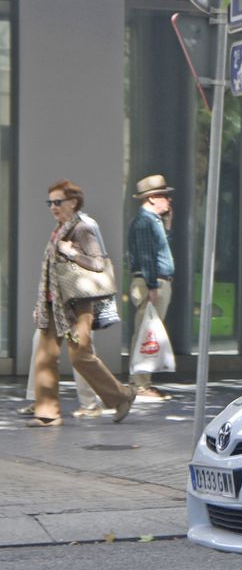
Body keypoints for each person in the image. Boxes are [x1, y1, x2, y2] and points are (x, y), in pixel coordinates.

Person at [27, 181, 135, 427]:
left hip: (77, 307)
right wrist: (40, 304)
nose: (53, 207)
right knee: (44, 356)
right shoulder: (59, 229)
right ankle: (47, 414)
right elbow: (49, 274)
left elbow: (98, 264)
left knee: (80, 358)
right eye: (50, 203)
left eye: (57, 202)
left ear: (73, 202)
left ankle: (122, 396)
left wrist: (71, 252)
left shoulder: (82, 229)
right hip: (54, 306)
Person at [126, 174, 176, 399]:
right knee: (147, 333)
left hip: (154, 281)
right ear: (153, 198)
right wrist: (153, 285)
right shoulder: (145, 221)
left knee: (148, 331)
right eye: (165, 196)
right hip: (151, 283)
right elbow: (147, 256)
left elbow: (157, 249)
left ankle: (141, 382)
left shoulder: (151, 220)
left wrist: (167, 223)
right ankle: (140, 384)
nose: (168, 200)